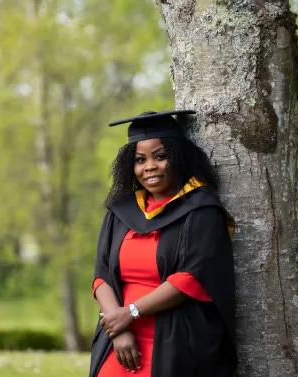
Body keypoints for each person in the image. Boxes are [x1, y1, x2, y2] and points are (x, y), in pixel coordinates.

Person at [89, 110, 238, 377]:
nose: (149, 167)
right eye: (139, 160)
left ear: (178, 156)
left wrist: (131, 313)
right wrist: (119, 326)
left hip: (175, 339)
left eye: (160, 156)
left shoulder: (201, 210)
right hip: (120, 339)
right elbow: (101, 276)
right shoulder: (120, 211)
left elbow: (191, 278)